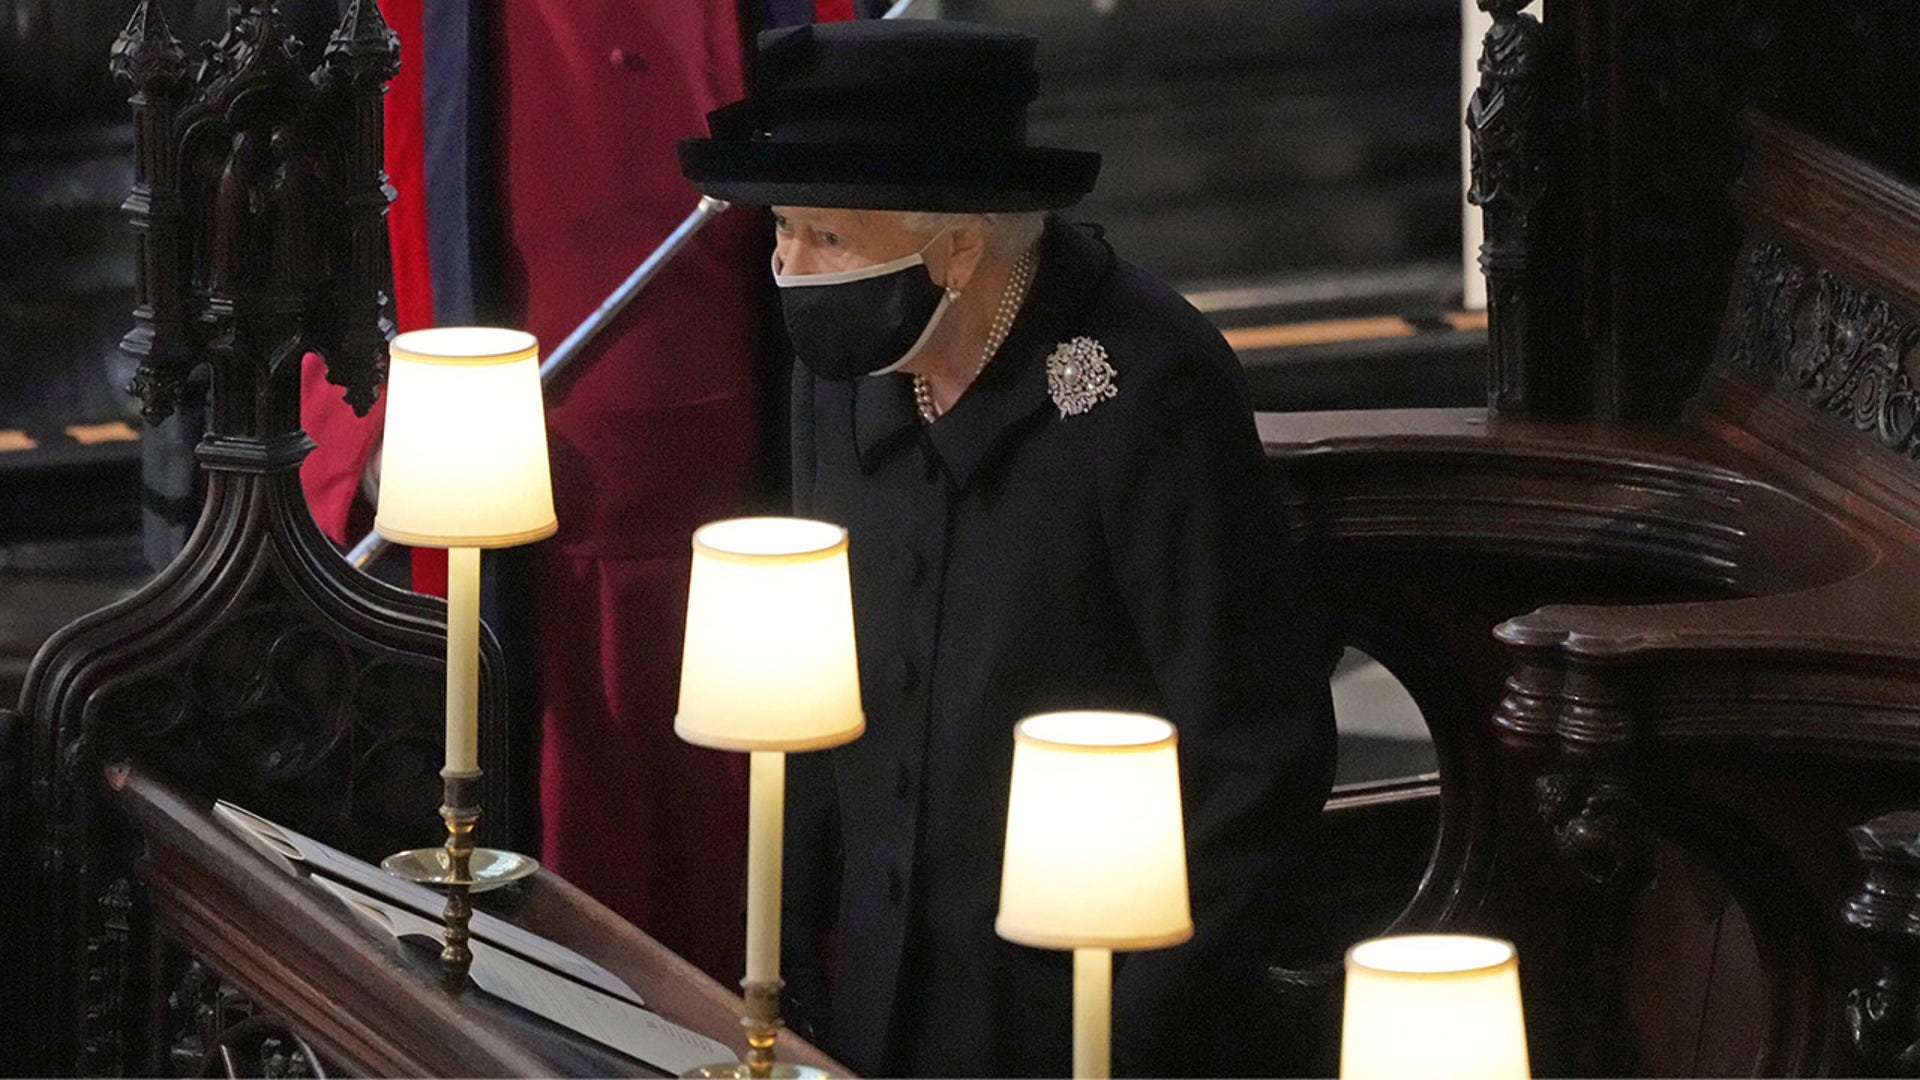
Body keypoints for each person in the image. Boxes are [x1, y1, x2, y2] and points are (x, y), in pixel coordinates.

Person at [679, 18, 1338, 1078]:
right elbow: (810, 685)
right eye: (780, 232)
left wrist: (1129, 1034)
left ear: (958, 243)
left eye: (827, 238)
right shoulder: (838, 373)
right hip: (873, 1011)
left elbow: (1256, 755)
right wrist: (789, 963)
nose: (790, 269)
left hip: (1081, 1019)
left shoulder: (1147, 383)